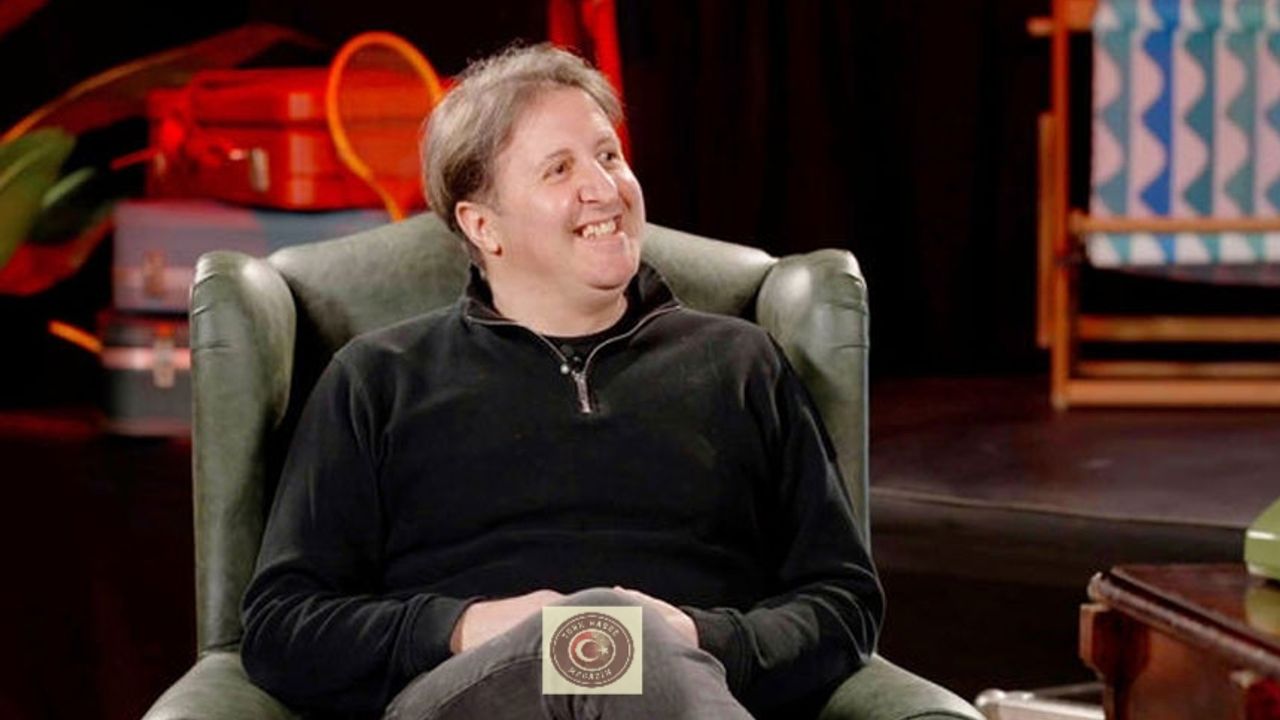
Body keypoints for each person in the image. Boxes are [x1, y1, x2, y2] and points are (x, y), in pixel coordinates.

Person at [240, 43, 884, 720]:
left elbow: (844, 604)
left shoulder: (742, 363)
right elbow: (282, 628)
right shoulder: (378, 379)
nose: (604, 189)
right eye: (559, 169)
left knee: (611, 636)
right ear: (482, 225)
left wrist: (702, 636)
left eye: (609, 156)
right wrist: (463, 627)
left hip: (693, 686)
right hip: (464, 695)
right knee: (598, 632)